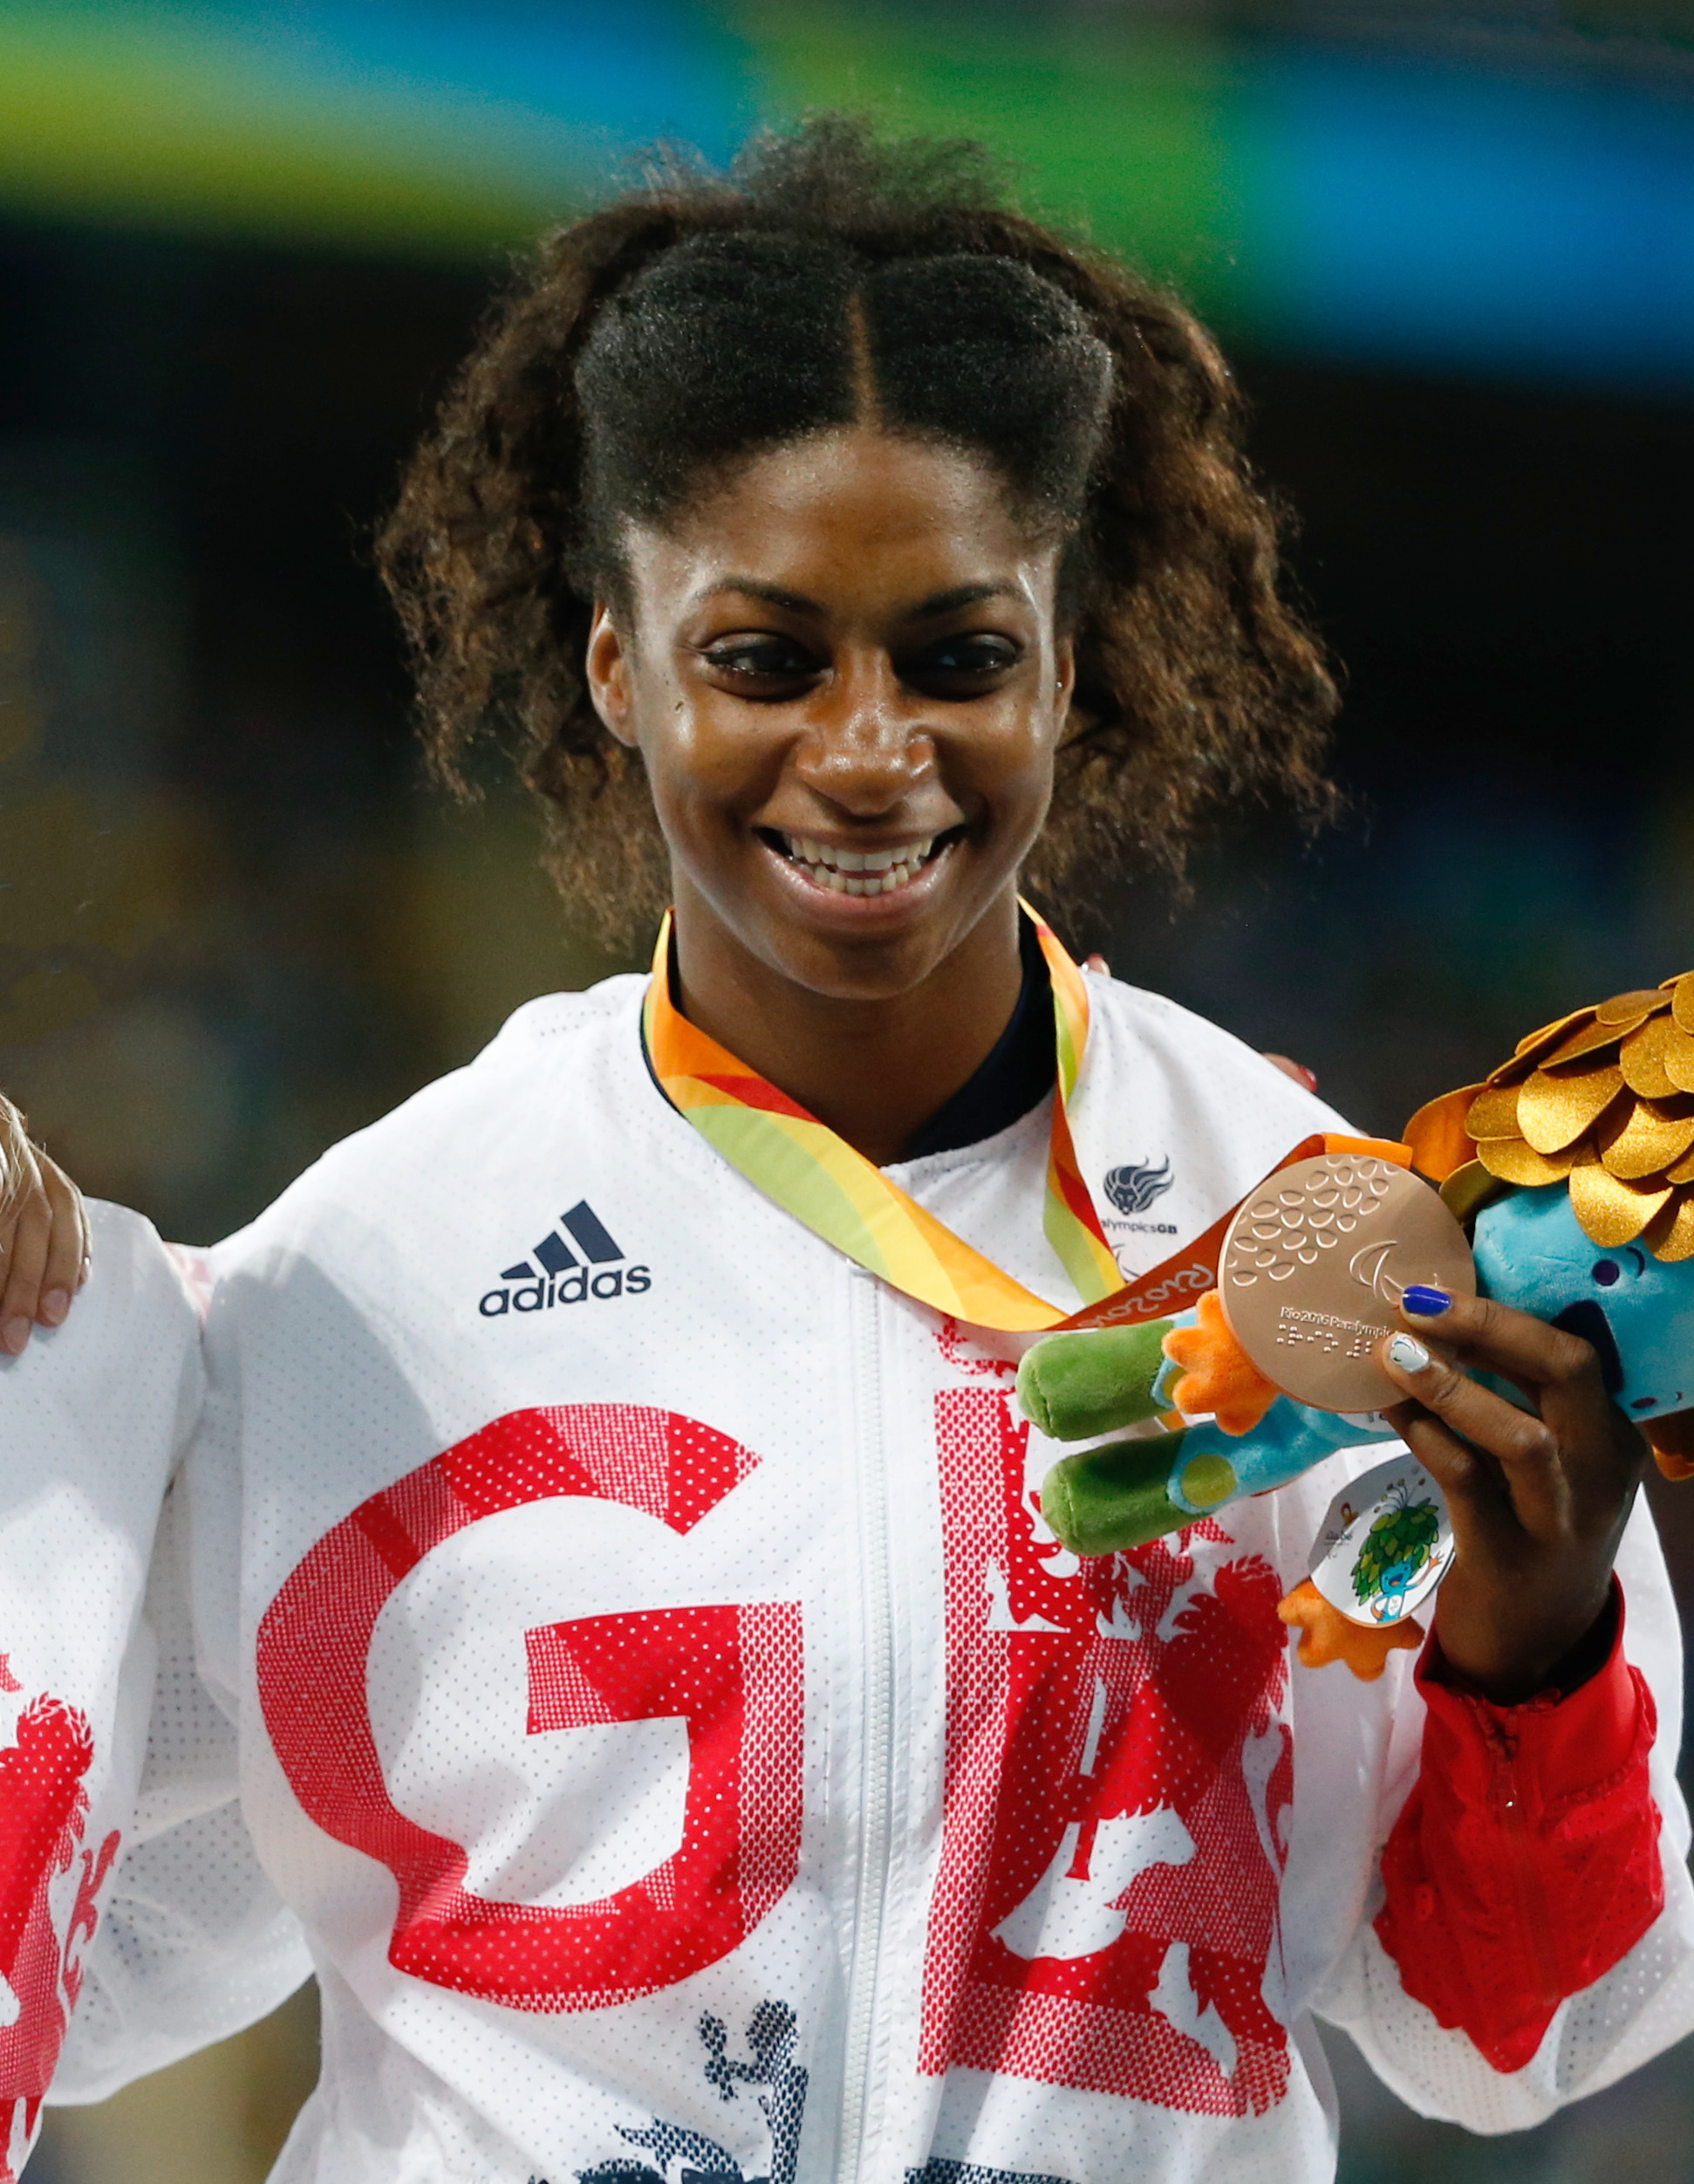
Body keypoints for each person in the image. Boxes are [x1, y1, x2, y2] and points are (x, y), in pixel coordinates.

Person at [4, 118, 1692, 2184]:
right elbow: (89, 1953)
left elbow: (1516, 2039)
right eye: (764, 658)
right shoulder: (359, 1279)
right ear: (618, 664)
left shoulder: (1314, 1239)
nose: (870, 750)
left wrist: (1537, 1644)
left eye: (957, 656)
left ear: (1065, 663)